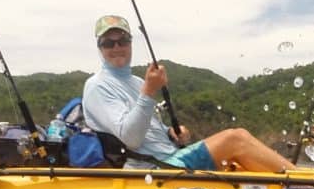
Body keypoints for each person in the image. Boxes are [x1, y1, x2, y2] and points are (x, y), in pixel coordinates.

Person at [82, 15, 293, 172]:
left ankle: (298, 181)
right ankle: (308, 183)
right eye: (108, 42)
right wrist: (148, 91)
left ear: (130, 43)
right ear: (99, 47)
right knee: (235, 138)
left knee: (240, 159)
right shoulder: (97, 86)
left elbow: (149, 130)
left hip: (171, 156)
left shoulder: (137, 81)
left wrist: (171, 133)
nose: (117, 46)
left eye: (123, 40)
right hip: (152, 170)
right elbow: (131, 139)